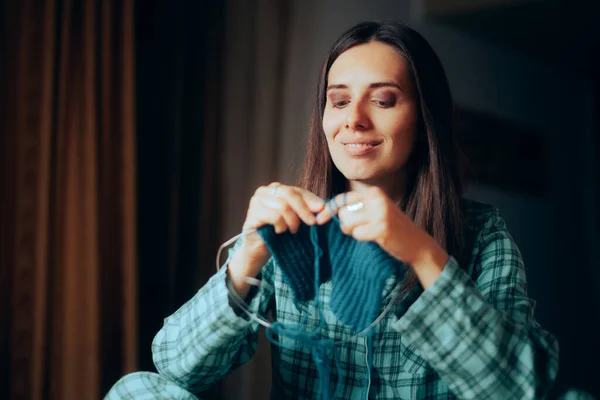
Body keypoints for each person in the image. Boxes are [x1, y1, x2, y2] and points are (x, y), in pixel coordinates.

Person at [106, 21, 559, 399]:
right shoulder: (294, 234)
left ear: (424, 122)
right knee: (138, 390)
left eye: (382, 100)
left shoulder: (481, 233)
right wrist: (245, 260)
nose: (353, 119)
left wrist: (423, 255)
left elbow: (524, 389)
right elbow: (175, 367)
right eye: (339, 100)